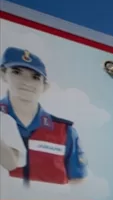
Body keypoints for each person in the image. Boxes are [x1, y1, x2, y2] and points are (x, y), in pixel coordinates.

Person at [0, 47, 87, 184]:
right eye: (17, 72)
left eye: (35, 77)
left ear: (44, 86)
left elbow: (77, 180)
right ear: (3, 74)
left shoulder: (65, 131)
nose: (27, 82)